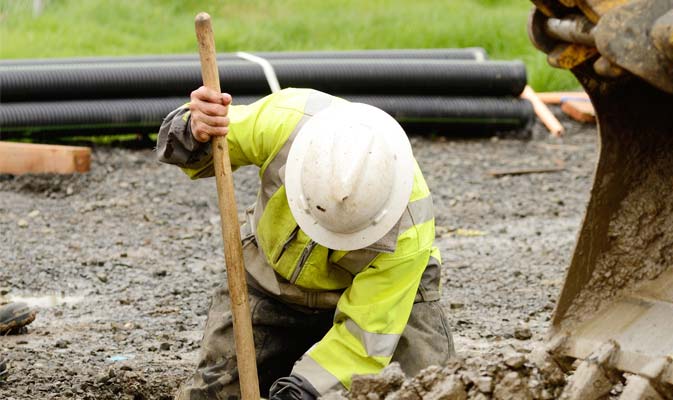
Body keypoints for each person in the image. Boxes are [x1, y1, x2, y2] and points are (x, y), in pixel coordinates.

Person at [156, 87, 454, 400]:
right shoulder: (286, 121)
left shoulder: (408, 230)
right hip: (270, 284)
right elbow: (208, 145)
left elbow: (363, 343)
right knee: (211, 394)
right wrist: (195, 129)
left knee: (426, 389)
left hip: (384, 304)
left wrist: (300, 392)